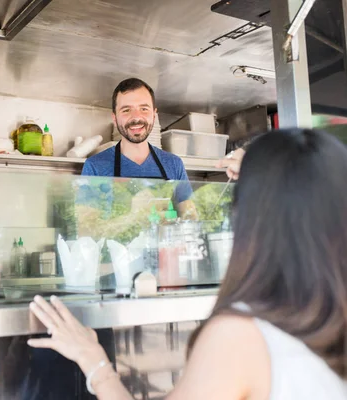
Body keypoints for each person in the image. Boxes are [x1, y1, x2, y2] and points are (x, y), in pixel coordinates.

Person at [28, 129, 347, 399]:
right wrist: (261, 170)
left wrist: (93, 360)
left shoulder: (241, 335)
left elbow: (189, 214)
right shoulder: (333, 314)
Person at [82, 77, 195, 218]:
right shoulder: (95, 167)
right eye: (126, 110)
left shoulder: (174, 164)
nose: (136, 117)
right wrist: (133, 216)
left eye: (144, 109)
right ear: (115, 118)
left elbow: (190, 220)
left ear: (154, 115)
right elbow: (86, 229)